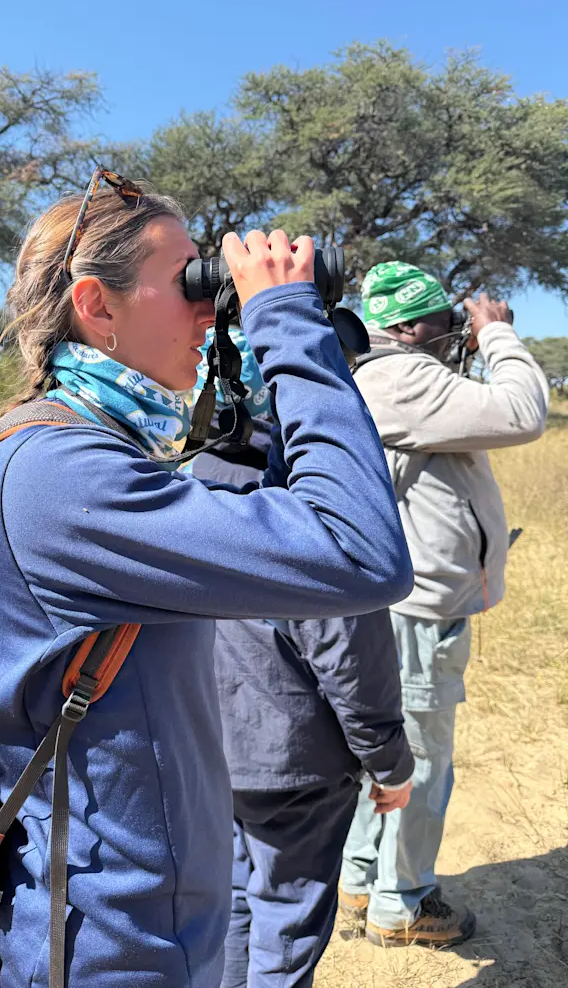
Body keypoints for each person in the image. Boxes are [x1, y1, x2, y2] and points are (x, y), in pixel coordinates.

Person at [0, 171, 413, 987]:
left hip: (152, 923)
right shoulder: (64, 476)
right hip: (103, 946)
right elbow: (359, 551)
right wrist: (286, 319)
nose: (212, 310)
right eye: (189, 283)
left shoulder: (100, 454)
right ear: (97, 306)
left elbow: (301, 541)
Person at [192, 330, 415, 987]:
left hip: (210, 750)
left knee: (236, 899)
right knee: (288, 924)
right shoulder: (306, 500)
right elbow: (349, 653)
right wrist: (389, 760)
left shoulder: (180, 482)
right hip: (294, 765)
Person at [340, 261, 550, 948]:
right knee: (422, 757)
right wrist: (498, 335)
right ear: (405, 327)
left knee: (390, 749)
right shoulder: (404, 377)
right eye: (443, 320)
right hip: (422, 610)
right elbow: (523, 411)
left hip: (402, 601)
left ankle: (361, 879)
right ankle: (402, 903)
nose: (456, 329)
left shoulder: (389, 377)